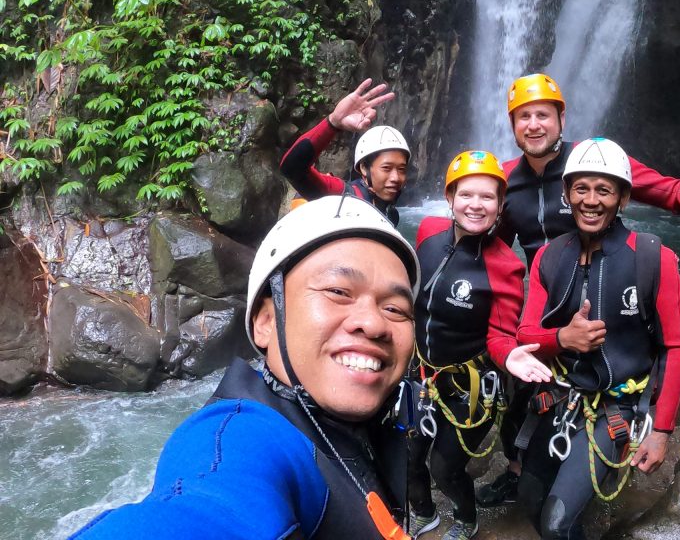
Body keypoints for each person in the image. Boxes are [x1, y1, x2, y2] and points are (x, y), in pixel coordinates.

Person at [70, 196, 422, 540]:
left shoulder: (382, 414)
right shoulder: (237, 439)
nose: (374, 324)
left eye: (395, 309)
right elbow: (209, 508)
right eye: (338, 291)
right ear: (266, 321)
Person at [478, 73, 680, 507]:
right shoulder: (506, 181)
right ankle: (521, 468)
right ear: (512, 125)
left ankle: (599, 450)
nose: (534, 124)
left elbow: (669, 194)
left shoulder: (595, 164)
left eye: (543, 114)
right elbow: (489, 237)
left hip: (609, 287)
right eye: (524, 117)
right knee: (518, 388)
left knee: (608, 367)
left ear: (561, 119)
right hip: (547, 290)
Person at [514, 138, 680, 539]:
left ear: (624, 198)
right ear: (566, 193)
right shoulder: (549, 256)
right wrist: (563, 338)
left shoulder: (653, 259)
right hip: (561, 398)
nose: (590, 201)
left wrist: (661, 432)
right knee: (528, 498)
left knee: (557, 524)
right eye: (581, 188)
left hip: (617, 408)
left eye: (604, 190)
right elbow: (526, 334)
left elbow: (675, 348)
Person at [406, 151, 550, 540]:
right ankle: (422, 512)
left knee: (444, 467)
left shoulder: (506, 265)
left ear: (501, 206)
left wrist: (510, 355)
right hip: (420, 375)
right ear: (449, 198)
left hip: (468, 389)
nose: (476, 205)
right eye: (466, 194)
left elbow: (500, 334)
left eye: (487, 197)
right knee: (408, 455)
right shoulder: (428, 233)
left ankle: (466, 519)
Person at [280, 78, 409, 225]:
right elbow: (292, 168)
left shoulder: (391, 214)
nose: (395, 177)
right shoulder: (342, 196)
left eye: (402, 169)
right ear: (364, 168)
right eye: (386, 168)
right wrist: (333, 122)